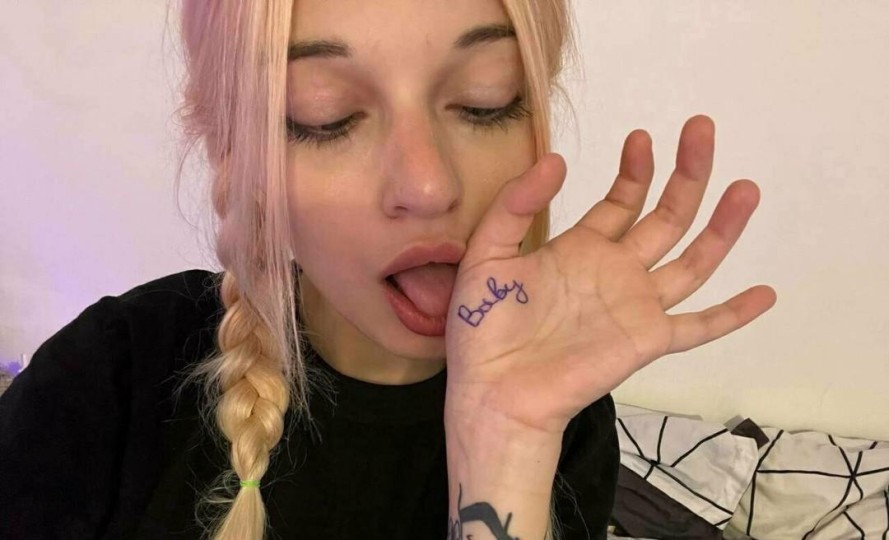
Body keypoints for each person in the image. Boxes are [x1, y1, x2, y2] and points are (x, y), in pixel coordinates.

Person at [0, 1, 776, 539]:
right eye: (325, 115)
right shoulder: (110, 375)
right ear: (238, 156)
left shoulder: (564, 417)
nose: (427, 184)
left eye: (486, 101)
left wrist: (504, 447)